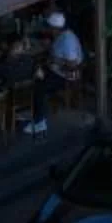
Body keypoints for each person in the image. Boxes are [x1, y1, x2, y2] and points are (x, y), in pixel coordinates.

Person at [28, 7, 85, 135]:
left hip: (66, 76)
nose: (48, 30)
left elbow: (72, 65)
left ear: (55, 28)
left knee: (39, 87)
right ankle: (37, 111)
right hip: (56, 70)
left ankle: (39, 122)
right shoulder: (62, 35)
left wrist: (55, 61)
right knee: (37, 73)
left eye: (49, 28)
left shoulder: (67, 40)